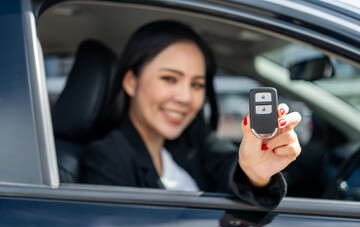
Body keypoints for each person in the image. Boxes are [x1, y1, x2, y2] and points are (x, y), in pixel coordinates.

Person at [80, 20, 302, 210]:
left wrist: (255, 174)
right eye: (169, 78)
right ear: (130, 82)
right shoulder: (106, 159)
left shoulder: (193, 137)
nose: (185, 97)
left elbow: (229, 166)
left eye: (197, 84)